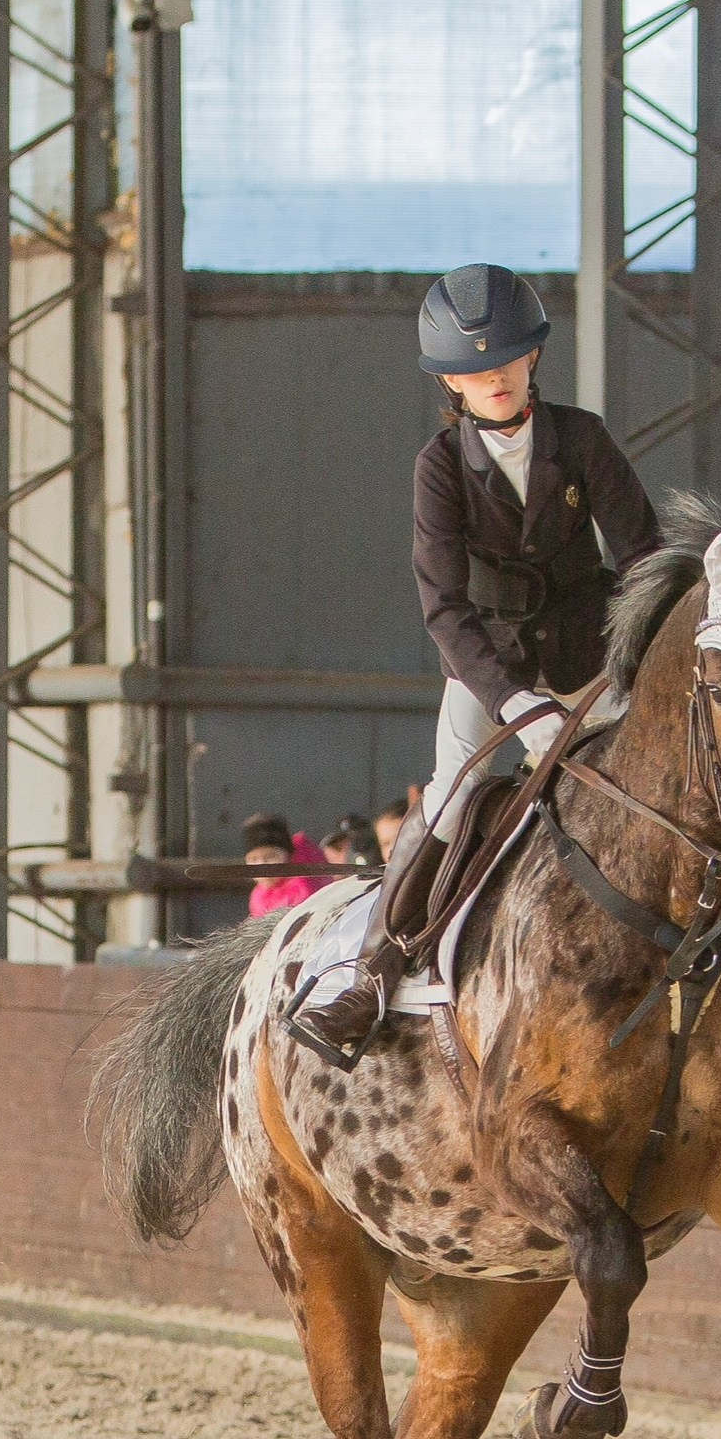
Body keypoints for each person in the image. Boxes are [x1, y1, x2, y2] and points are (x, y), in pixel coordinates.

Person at [288, 264, 662, 1064]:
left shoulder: (583, 439)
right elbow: (444, 610)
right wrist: (515, 702)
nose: (495, 376)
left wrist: (636, 662)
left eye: (509, 358)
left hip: (591, 660)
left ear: (534, 357)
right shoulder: (439, 468)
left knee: (665, 788)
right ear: (450, 381)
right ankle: (374, 973)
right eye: (474, 368)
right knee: (453, 798)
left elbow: (644, 557)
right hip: (488, 668)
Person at [243, 813, 327, 921]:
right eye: (253, 859)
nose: (262, 866)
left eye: (270, 857)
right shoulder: (258, 896)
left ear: (288, 858)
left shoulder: (304, 889)